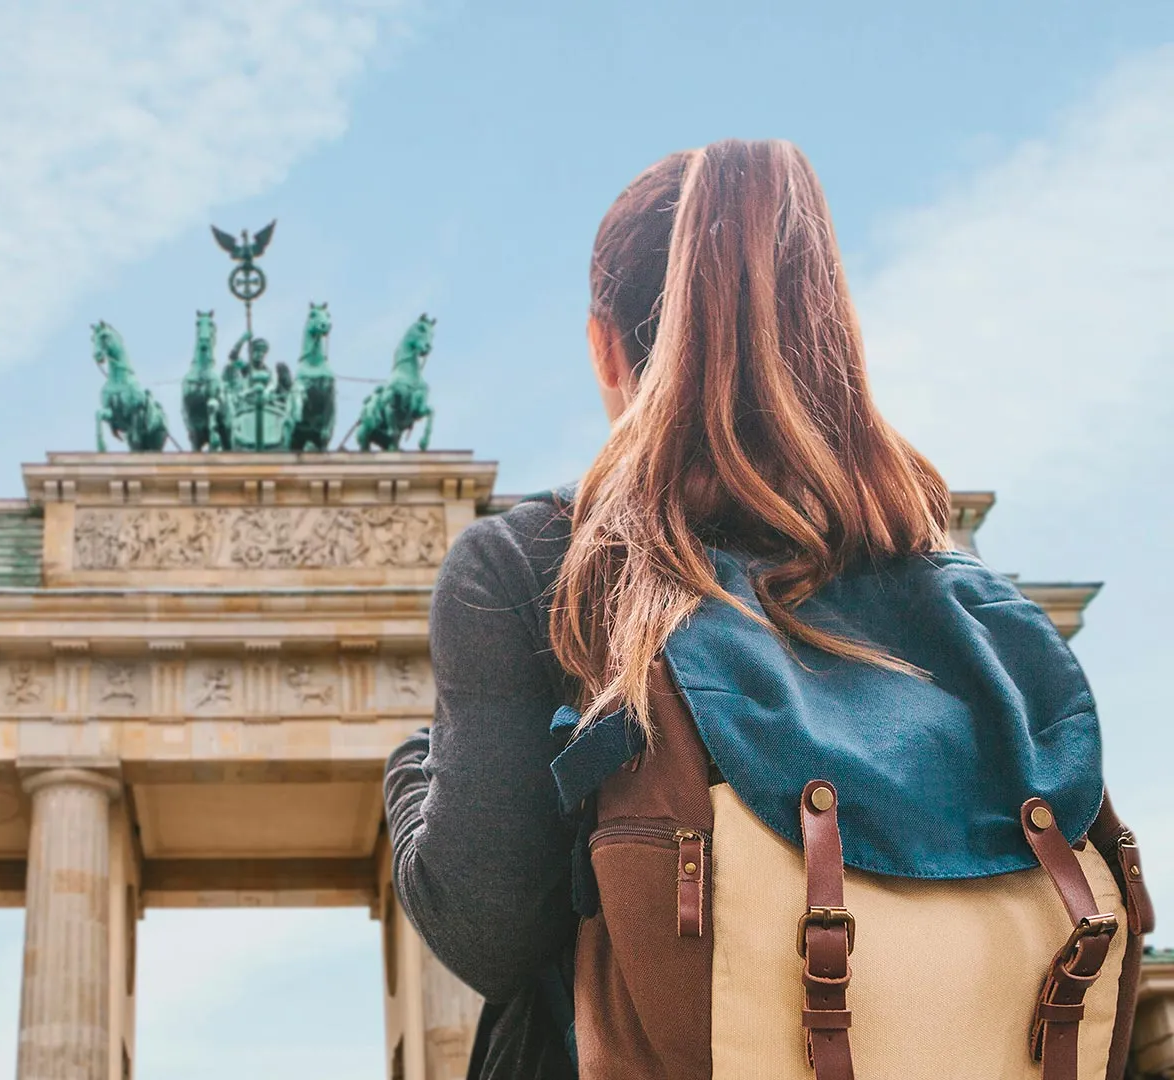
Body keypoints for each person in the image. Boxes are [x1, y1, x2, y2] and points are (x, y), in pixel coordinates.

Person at [383, 139, 1144, 1080]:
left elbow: (487, 932)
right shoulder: (961, 600)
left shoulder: (540, 566)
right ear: (827, 327)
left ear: (604, 347)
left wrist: (412, 767)